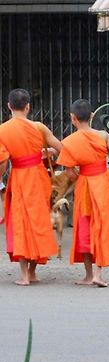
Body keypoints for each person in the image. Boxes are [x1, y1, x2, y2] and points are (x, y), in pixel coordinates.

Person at [57, 99, 109, 287]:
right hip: (102, 183)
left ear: (72, 118)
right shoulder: (103, 135)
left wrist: (79, 173)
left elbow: (70, 171)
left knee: (84, 226)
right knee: (102, 225)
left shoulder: (69, 142)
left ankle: (88, 276)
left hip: (84, 186)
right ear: (92, 116)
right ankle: (98, 273)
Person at [0, 88, 62, 285]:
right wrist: (50, 153)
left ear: (8, 106)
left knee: (21, 223)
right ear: (28, 107)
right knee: (38, 222)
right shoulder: (39, 127)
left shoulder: (3, 130)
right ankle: (33, 273)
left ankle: (25, 276)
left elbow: (2, 162)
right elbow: (61, 148)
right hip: (38, 177)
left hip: (19, 177)